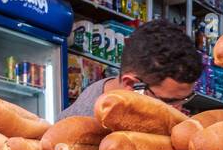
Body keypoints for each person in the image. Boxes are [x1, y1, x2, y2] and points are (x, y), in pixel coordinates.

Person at [60, 18, 204, 120]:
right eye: (169, 102)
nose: (179, 112)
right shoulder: (78, 134)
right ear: (131, 85)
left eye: (184, 100)